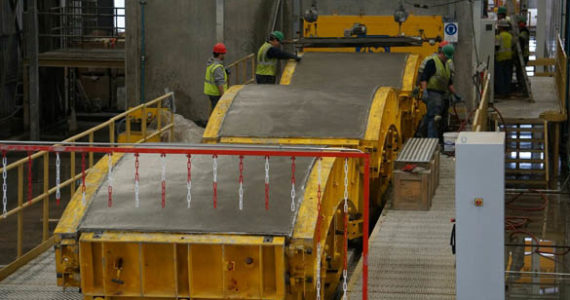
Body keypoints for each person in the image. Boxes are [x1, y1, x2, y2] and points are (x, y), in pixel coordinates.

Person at [420, 44, 459, 139]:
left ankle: (423, 134)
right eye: (446, 56)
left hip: (442, 94)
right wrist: (424, 91)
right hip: (433, 93)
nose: (447, 59)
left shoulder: (446, 65)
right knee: (434, 117)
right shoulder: (432, 62)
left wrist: (455, 94)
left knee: (435, 117)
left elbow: (449, 82)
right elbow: (424, 78)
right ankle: (431, 140)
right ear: (442, 53)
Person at [204, 43, 228, 111]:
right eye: (223, 54)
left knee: (214, 110)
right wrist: (223, 97)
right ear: (220, 54)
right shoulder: (217, 67)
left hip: (211, 93)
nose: (224, 55)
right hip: (216, 94)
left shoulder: (211, 63)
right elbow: (219, 83)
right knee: (218, 112)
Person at [495, 20, 514, 97]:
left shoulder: (498, 37)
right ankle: (507, 91)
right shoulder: (510, 36)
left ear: (501, 27)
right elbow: (513, 46)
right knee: (507, 75)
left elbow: (496, 47)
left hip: (500, 58)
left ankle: (501, 92)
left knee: (500, 76)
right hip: (509, 58)